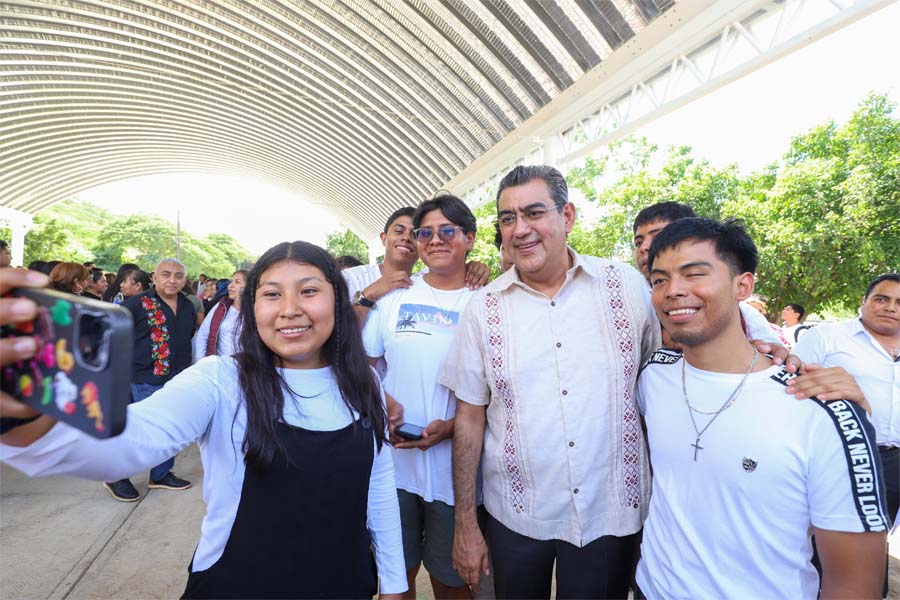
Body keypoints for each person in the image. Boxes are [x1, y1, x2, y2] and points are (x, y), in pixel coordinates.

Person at [0, 243, 407, 597]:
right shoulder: (221, 378)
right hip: (238, 585)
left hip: (344, 582)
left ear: (337, 301)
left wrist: (393, 583)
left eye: (309, 291)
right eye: (271, 294)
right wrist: (21, 421)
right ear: (252, 307)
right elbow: (125, 444)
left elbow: (378, 485)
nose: (290, 309)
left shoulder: (364, 380)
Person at [636, 217, 887, 598]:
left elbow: (855, 584)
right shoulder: (653, 376)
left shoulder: (821, 410)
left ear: (743, 285)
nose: (673, 291)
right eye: (659, 280)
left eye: (694, 274)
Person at [443, 165, 661, 597]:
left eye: (534, 213)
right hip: (516, 516)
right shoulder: (482, 309)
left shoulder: (626, 287)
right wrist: (465, 522)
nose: (520, 229)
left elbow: (662, 382)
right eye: (507, 218)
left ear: (567, 216)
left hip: (611, 513)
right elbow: (469, 417)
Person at [364, 195, 477, 599]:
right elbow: (364, 367)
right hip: (396, 467)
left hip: (458, 475)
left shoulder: (485, 301)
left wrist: (451, 428)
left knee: (454, 580)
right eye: (425, 232)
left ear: (470, 238)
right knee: (396, 576)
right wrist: (382, 410)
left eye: (447, 230)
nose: (435, 240)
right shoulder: (395, 297)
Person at [793, 273, 899, 525]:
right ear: (863, 300)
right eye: (881, 299)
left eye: (899, 302)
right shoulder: (827, 337)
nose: (891, 308)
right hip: (840, 457)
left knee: (876, 538)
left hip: (895, 464)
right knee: (828, 539)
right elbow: (792, 390)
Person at [102, 259, 197, 501]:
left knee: (172, 429)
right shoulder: (136, 304)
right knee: (144, 431)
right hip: (144, 377)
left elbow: (186, 338)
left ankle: (161, 474)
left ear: (185, 281)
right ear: (154, 277)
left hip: (177, 379)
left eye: (178, 276)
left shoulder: (187, 306)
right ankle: (115, 475)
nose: (172, 280)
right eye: (166, 274)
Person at [632, 201, 782, 346]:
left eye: (658, 236)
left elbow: (772, 352)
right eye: (638, 242)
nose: (644, 247)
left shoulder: (744, 315)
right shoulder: (628, 302)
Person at [194, 270, 248, 362]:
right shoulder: (222, 307)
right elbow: (203, 334)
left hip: (245, 368)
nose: (230, 286)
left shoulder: (256, 312)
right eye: (231, 282)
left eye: (237, 282)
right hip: (219, 365)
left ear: (249, 286)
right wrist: (201, 362)